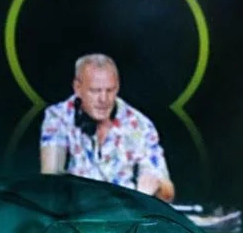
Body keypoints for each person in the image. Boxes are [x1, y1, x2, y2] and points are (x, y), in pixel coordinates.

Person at [39, 53, 175, 202]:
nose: (103, 99)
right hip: (76, 214)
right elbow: (50, 182)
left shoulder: (140, 125)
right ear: (77, 88)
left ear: (118, 87)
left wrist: (152, 187)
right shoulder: (57, 117)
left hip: (125, 214)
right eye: (95, 91)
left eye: (110, 90)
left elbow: (168, 193)